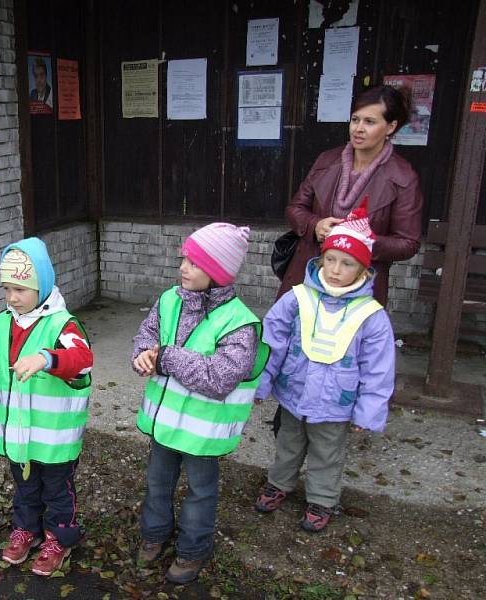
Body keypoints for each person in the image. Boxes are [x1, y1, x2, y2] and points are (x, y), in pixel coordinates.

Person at [131, 223, 269, 585]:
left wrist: (167, 357)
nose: (183, 268)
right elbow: (147, 334)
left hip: (202, 433)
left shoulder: (241, 323)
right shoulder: (169, 300)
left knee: (200, 492)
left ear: (219, 272)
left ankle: (193, 550)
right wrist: (143, 355)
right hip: (163, 424)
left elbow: (220, 378)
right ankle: (155, 533)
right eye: (184, 260)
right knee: (157, 483)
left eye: (194, 262)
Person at [0, 237, 93, 577]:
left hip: (54, 440)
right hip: (17, 436)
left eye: (21, 289)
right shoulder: (1, 323)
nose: (13, 297)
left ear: (41, 286)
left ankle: (59, 538)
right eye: (7, 289)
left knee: (58, 491)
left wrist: (46, 358)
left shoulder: (63, 325)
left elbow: (82, 360)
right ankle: (26, 529)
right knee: (25, 488)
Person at [254, 203, 395, 532]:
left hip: (336, 404)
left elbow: (378, 369)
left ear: (362, 270)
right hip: (293, 393)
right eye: (330, 259)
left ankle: (322, 499)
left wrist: (368, 410)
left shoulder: (371, 316)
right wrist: (261, 384)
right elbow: (271, 343)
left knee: (327, 454)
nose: (335, 269)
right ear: (320, 259)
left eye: (347, 263)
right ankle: (279, 483)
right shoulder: (297, 297)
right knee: (288, 444)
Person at [278, 84, 423, 307]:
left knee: (347, 341)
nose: (359, 128)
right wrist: (315, 225)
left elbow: (408, 243)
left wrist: (360, 241)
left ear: (391, 127)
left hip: (360, 286)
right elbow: (295, 208)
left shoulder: (403, 177)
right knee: (295, 336)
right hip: (308, 275)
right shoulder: (326, 160)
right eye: (355, 120)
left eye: (370, 122)